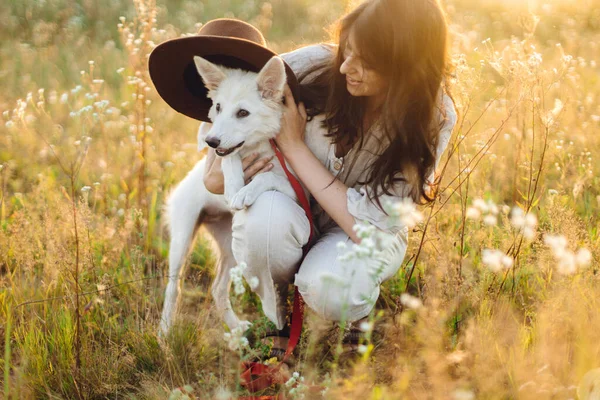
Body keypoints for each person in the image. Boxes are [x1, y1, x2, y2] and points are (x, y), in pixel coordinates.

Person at [203, 0, 458, 352]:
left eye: (367, 62)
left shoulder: (434, 117)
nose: (347, 68)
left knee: (333, 288)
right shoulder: (311, 66)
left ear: (406, 67)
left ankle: (357, 310)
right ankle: (276, 311)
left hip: (362, 230)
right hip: (288, 202)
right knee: (264, 228)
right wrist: (218, 171)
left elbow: (368, 230)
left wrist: (294, 147)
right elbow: (229, 103)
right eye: (347, 51)